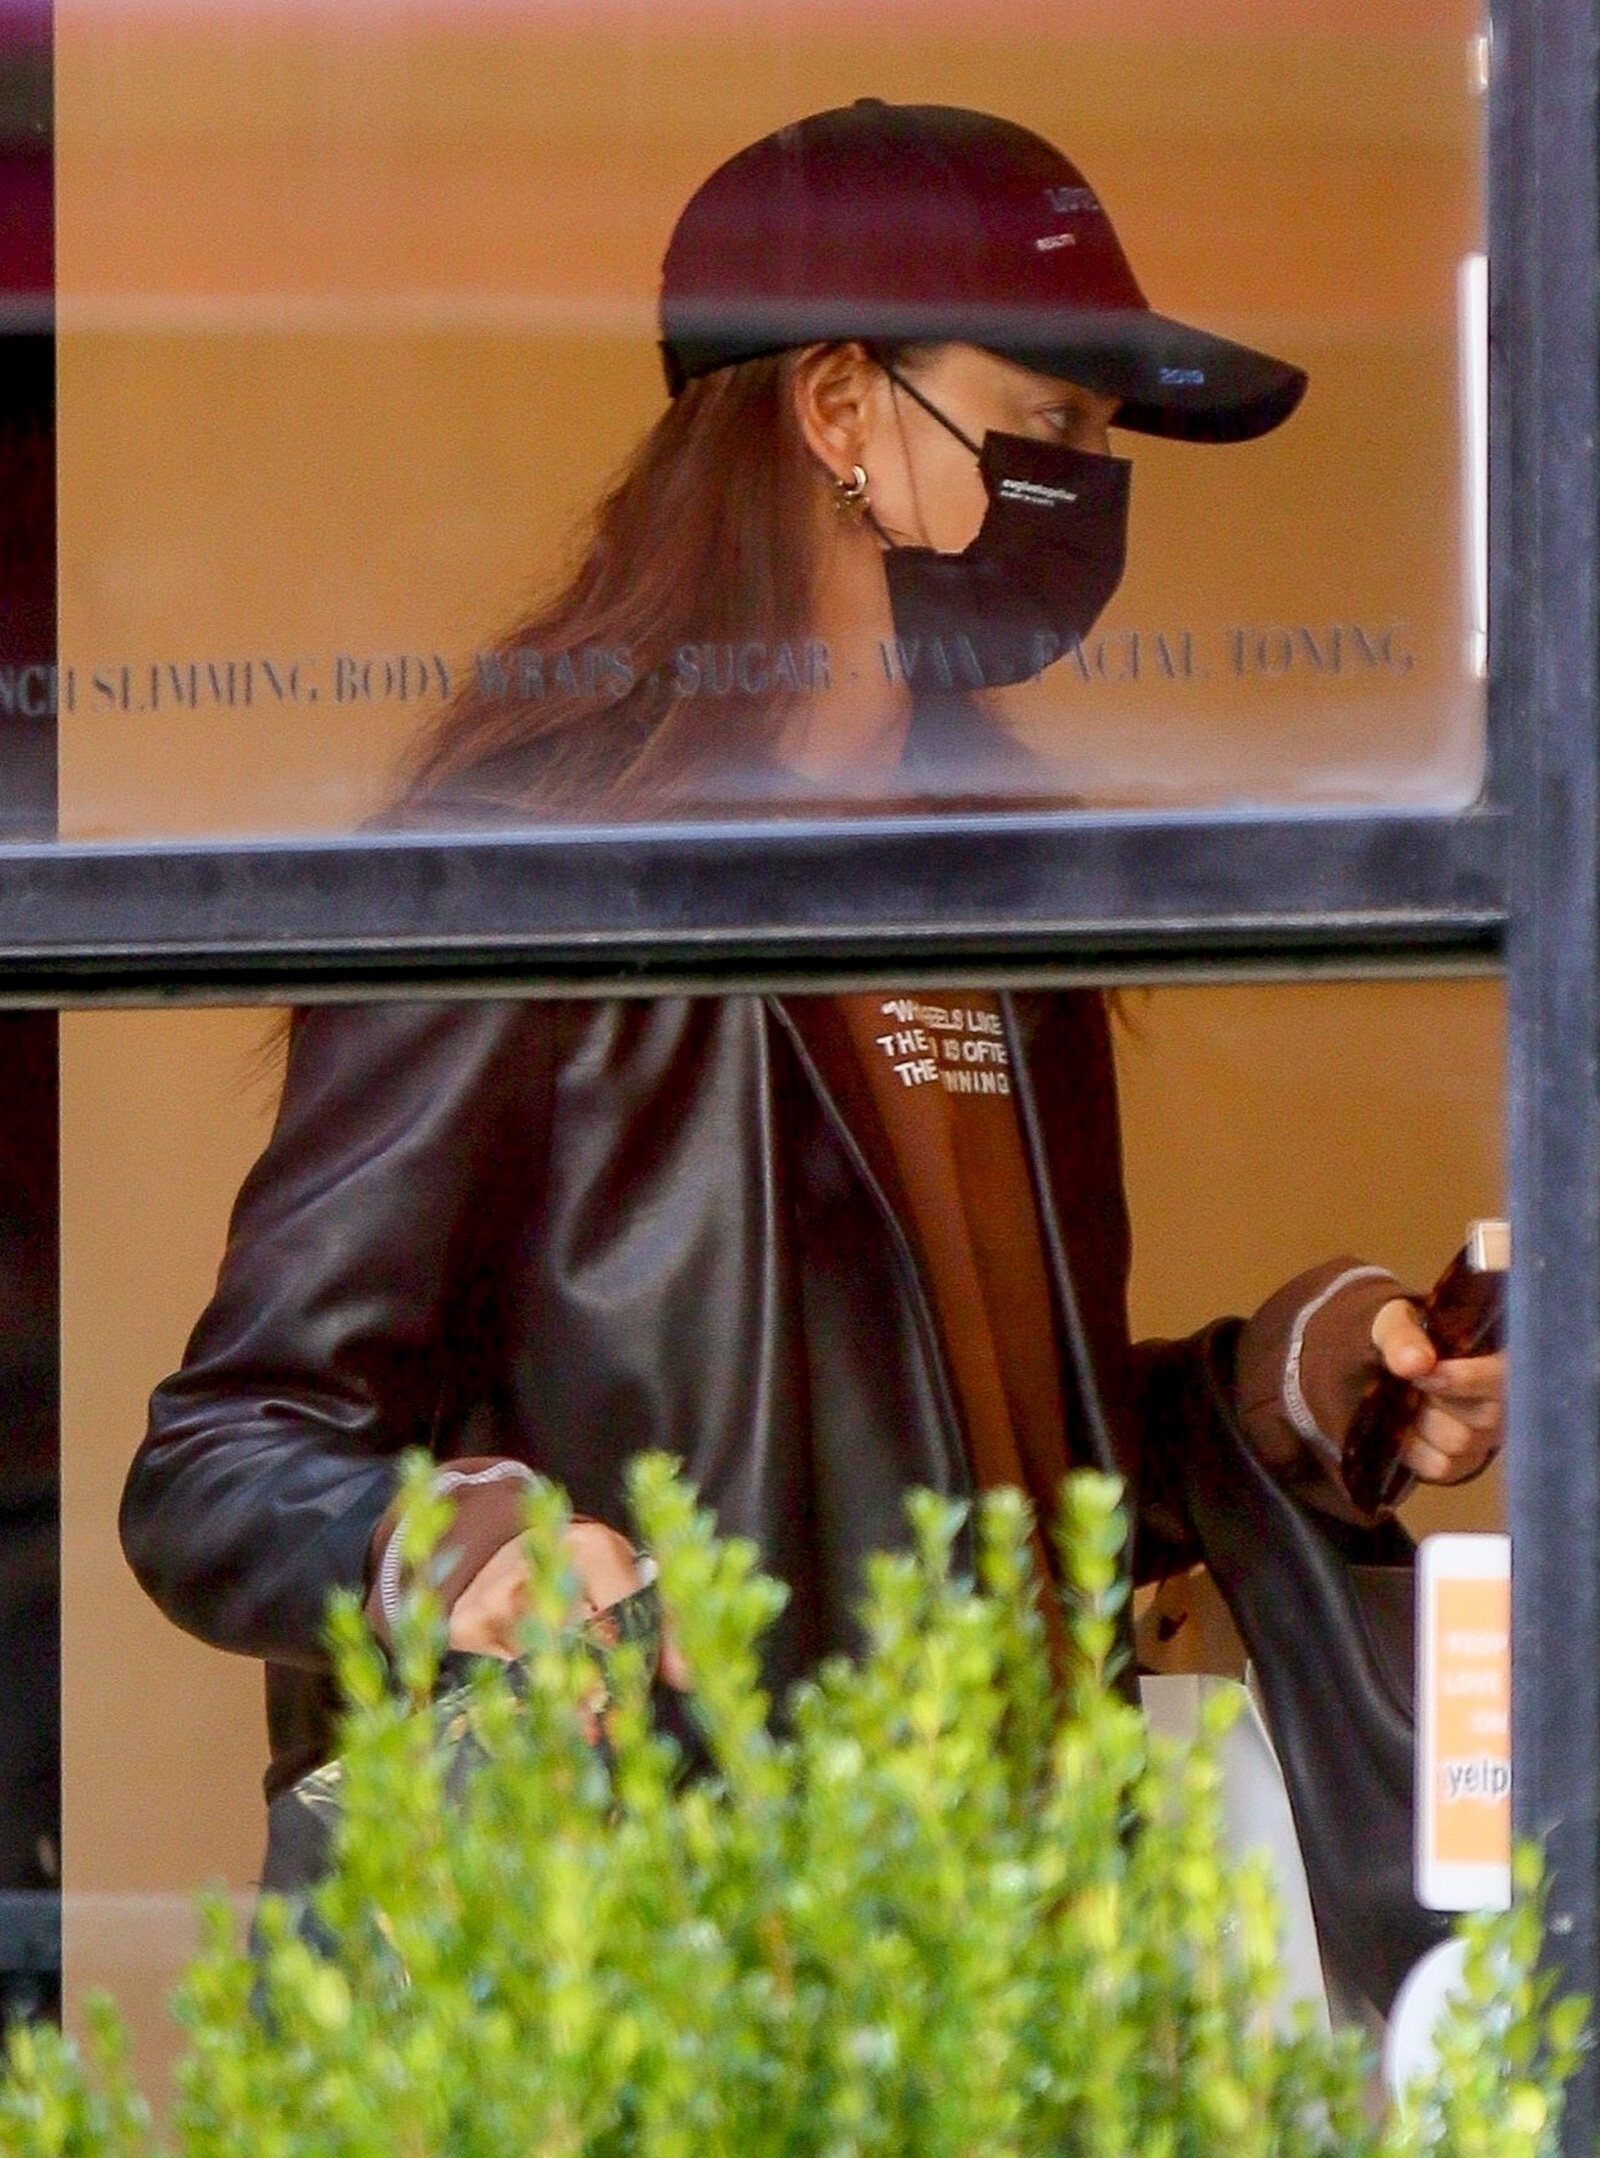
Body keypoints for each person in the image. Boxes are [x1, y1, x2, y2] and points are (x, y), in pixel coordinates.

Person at [119, 101, 1502, 1917]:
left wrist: (1296, 1387)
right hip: (675, 1963)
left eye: (1102, 440)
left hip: (996, 1954)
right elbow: (221, 1462)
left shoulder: (997, 901)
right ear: (840, 407)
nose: (1092, 489)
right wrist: (468, 1547)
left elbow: (989, 1477)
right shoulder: (536, 874)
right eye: (1050, 426)